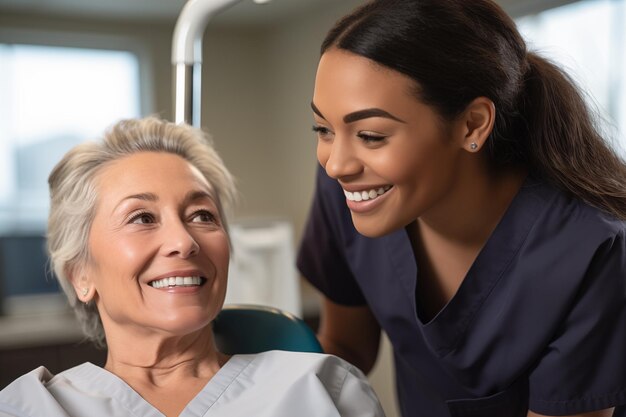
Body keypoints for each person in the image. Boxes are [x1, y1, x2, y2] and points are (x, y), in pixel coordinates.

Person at [297, 1, 626, 416]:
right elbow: (344, 350)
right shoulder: (349, 195)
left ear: (472, 124)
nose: (337, 164)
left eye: (371, 135)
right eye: (324, 129)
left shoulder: (590, 251)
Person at [0, 117, 385, 417]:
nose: (185, 241)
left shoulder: (321, 389)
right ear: (80, 273)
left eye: (202, 215)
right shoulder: (29, 407)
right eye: (142, 218)